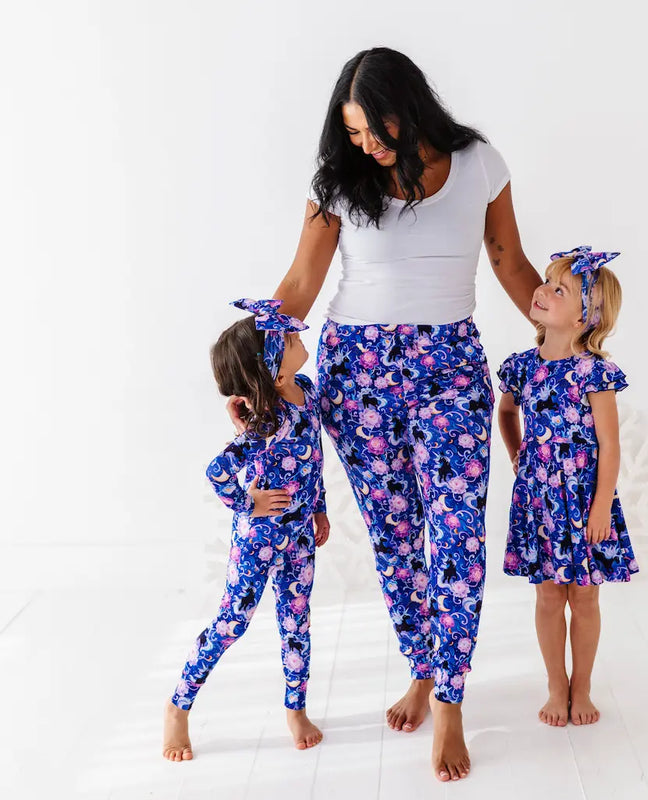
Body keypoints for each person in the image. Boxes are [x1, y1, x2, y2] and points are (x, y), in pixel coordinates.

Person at [226, 47, 542, 781]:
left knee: (458, 537)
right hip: (357, 371)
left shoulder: (480, 165)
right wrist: (252, 371)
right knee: (399, 542)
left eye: (373, 130)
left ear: (409, 109)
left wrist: (570, 340)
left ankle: (452, 703)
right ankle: (423, 671)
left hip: (450, 367)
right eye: (353, 133)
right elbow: (302, 284)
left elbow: (509, 261)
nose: (364, 145)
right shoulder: (340, 184)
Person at [163, 299, 331, 761]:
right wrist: (247, 504)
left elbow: (314, 460)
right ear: (272, 371)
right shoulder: (265, 419)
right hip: (258, 540)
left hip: (299, 535)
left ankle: (295, 709)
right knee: (233, 621)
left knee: (297, 622)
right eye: (290, 341)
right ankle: (178, 706)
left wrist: (319, 510)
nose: (299, 341)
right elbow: (218, 470)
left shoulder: (310, 392)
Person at [496, 246, 638, 728]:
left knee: (585, 596)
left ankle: (584, 686)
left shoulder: (594, 372)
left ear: (586, 318)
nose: (541, 290)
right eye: (547, 283)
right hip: (539, 501)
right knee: (549, 596)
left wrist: (601, 508)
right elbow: (507, 413)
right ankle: (556, 684)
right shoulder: (521, 366)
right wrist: (520, 459)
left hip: (585, 501)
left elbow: (610, 446)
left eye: (559, 289)